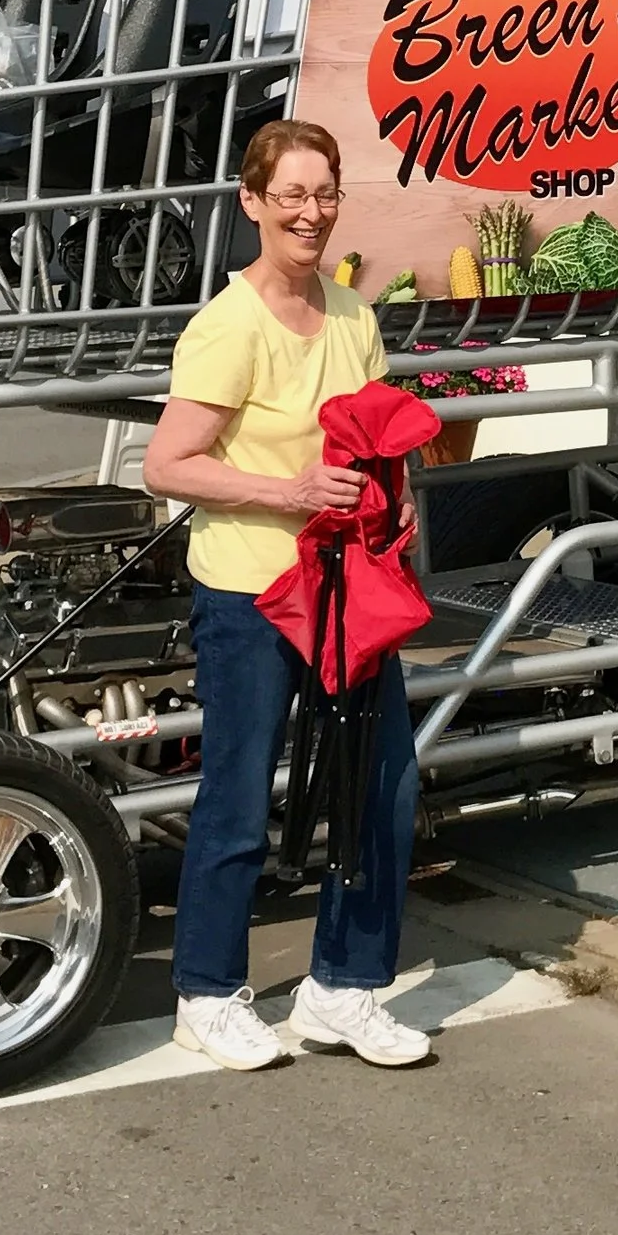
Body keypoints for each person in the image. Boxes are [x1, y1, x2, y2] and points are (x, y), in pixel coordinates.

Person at [141, 118, 431, 1073]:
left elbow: (385, 438)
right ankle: (206, 993)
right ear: (252, 203)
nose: (311, 213)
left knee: (380, 788)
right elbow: (168, 466)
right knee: (238, 795)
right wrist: (287, 492)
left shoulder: (353, 315)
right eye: (292, 196)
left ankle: (344, 987)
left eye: (326, 193)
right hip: (252, 596)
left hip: (350, 594)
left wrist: (400, 506)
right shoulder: (227, 328)